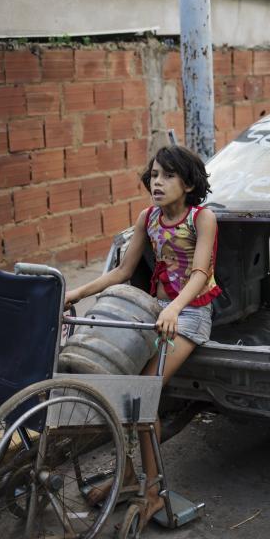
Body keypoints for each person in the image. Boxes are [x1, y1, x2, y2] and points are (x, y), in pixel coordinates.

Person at [65, 144, 220, 386]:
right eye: (155, 175)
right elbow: (122, 271)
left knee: (144, 388)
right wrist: (76, 294)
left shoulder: (201, 218)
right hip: (153, 310)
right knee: (115, 376)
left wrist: (174, 308)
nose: (158, 182)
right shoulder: (147, 217)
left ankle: (143, 422)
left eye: (169, 176)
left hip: (189, 313)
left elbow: (200, 273)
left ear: (188, 185)